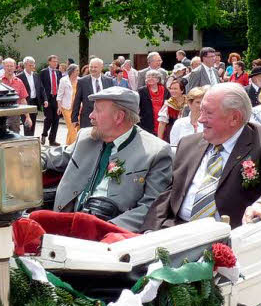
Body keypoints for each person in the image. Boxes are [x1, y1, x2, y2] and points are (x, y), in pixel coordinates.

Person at [143, 83, 261, 229]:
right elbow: (171, 192)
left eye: (208, 113)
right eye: (200, 111)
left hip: (229, 236)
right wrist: (149, 231)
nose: (200, 119)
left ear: (235, 118)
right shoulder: (188, 144)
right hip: (176, 229)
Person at [42, 86, 172, 232]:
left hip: (108, 235)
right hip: (62, 223)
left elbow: (151, 207)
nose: (90, 115)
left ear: (119, 117)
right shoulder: (86, 137)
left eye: (97, 110)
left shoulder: (156, 152)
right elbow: (53, 157)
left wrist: (107, 229)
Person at [73, 58, 115, 128]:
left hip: (105, 117)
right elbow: (77, 100)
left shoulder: (109, 81)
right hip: (87, 118)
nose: (92, 69)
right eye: (91, 67)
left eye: (95, 67)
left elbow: (113, 99)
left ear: (101, 67)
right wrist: (74, 118)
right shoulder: (82, 81)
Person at [0, 58, 33, 134]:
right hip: (1, 115)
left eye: (11, 66)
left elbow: (23, 100)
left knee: (15, 137)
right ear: (4, 67)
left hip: (15, 116)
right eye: (7, 66)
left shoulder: (19, 82)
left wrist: (27, 117)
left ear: (15, 67)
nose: (9, 68)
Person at [39, 55, 64, 146]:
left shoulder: (58, 73)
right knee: (49, 118)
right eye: (53, 61)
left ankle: (52, 140)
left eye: (56, 61)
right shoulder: (43, 72)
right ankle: (44, 134)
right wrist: (43, 99)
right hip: (47, 98)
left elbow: (61, 86)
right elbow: (41, 87)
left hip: (56, 99)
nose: (55, 63)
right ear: (49, 62)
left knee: (56, 120)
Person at [138, 69, 168, 136]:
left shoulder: (165, 90)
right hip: (146, 122)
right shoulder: (141, 91)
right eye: (148, 77)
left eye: (153, 76)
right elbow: (137, 105)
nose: (150, 78)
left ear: (158, 79)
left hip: (163, 121)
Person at [157, 77, 187, 142]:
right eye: (171, 89)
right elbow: (162, 124)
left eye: (175, 89)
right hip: (171, 134)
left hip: (186, 133)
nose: (172, 91)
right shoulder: (168, 104)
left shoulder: (189, 103)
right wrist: (159, 140)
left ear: (182, 90)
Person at [18, 57, 42, 137]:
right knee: (27, 122)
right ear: (25, 65)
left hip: (34, 101)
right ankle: (27, 140)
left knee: (33, 122)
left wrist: (45, 100)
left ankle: (31, 138)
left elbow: (41, 88)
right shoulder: (19, 76)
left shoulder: (36, 75)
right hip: (25, 102)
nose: (32, 67)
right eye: (30, 65)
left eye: (33, 65)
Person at [57, 63, 79, 145]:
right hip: (66, 108)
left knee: (73, 129)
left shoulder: (80, 80)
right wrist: (59, 107)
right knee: (72, 128)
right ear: (72, 71)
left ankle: (68, 146)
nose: (78, 72)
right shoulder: (63, 80)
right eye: (77, 70)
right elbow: (60, 95)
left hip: (77, 108)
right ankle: (74, 147)